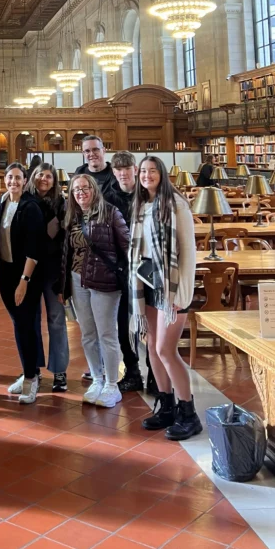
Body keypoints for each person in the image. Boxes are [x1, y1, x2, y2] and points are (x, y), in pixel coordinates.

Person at [130, 156, 200, 441]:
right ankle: (166, 405)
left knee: (166, 350)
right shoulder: (141, 204)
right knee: (151, 347)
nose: (147, 176)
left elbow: (188, 252)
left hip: (171, 285)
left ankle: (189, 414)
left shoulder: (176, 205)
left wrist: (181, 294)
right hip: (146, 281)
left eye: (152, 171)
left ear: (162, 174)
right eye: (143, 172)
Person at [60, 173, 129, 408]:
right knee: (88, 334)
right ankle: (97, 379)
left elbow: (127, 245)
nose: (80, 193)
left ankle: (112, 385)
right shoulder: (72, 215)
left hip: (105, 281)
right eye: (76, 189)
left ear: (94, 190)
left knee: (106, 334)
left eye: (85, 188)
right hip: (78, 279)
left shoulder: (110, 213)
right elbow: (67, 252)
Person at [0, 162, 46, 404]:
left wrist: (24, 281)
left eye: (18, 178)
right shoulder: (2, 202)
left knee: (26, 324)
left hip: (25, 275)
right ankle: (29, 371)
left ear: (25, 181)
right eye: (10, 177)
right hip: (6, 273)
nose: (13, 181)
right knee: (19, 324)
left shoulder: (31, 206)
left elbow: (35, 248)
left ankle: (31, 379)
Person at [110, 151, 153, 395]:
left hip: (148, 265)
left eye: (127, 169)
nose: (123, 174)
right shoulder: (108, 196)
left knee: (151, 320)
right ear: (114, 172)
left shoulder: (147, 193)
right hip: (122, 268)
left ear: (135, 170)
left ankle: (154, 372)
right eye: (119, 170)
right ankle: (132, 371)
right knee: (124, 323)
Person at [25, 162, 69, 393]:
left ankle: (59, 370)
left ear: (54, 181)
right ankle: (33, 368)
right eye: (40, 175)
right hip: (30, 270)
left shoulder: (62, 204)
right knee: (30, 321)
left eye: (48, 176)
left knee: (56, 320)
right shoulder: (25, 201)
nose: (44, 179)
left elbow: (66, 240)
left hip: (53, 271)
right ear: (33, 177)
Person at [75, 136, 121, 204]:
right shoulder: (79, 173)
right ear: (83, 153)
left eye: (95, 149)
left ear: (103, 150)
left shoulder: (116, 172)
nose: (91, 154)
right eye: (87, 151)